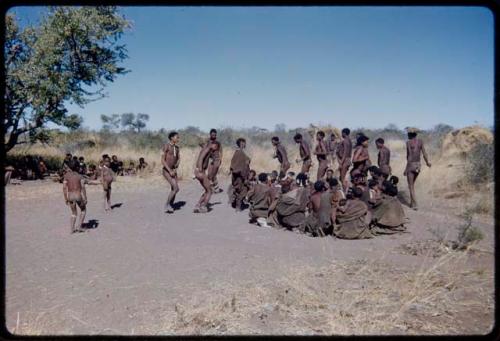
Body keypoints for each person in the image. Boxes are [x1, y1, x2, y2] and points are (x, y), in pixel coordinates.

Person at [404, 128, 431, 210]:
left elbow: (409, 156)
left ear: (411, 135)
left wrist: (406, 168)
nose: (407, 135)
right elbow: (424, 153)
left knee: (411, 186)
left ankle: (415, 204)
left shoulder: (408, 143)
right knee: (412, 185)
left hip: (411, 165)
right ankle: (412, 203)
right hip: (418, 165)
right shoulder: (420, 141)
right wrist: (427, 162)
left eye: (408, 134)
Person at [63, 161, 87, 233]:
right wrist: (85, 197)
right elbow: (83, 187)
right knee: (83, 210)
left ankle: (72, 229)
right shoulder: (80, 176)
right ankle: (79, 226)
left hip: (70, 195)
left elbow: (64, 188)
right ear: (77, 167)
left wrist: (65, 198)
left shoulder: (66, 176)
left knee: (73, 213)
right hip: (78, 195)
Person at [194, 141, 219, 213]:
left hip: (199, 172)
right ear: (212, 144)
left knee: (206, 190)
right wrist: (200, 169)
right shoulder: (207, 149)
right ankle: (203, 206)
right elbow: (201, 158)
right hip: (200, 172)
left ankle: (198, 205)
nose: (216, 148)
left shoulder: (208, 150)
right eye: (216, 146)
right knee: (210, 191)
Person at [230, 138, 251, 211]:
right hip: (240, 176)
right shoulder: (241, 153)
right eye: (244, 143)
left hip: (235, 176)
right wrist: (245, 178)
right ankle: (238, 206)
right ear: (241, 143)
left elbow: (232, 165)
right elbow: (242, 167)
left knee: (237, 189)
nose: (245, 144)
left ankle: (237, 203)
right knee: (243, 190)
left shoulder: (236, 153)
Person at [162, 131, 181, 214]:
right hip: (166, 170)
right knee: (176, 188)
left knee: (174, 188)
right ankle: (166, 205)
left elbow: (178, 158)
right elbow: (162, 160)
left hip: (173, 171)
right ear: (172, 138)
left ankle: (170, 205)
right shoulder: (166, 146)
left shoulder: (177, 148)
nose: (178, 138)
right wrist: (169, 170)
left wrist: (176, 166)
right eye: (177, 137)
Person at [205, 129, 223, 193]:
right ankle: (212, 188)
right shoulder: (208, 142)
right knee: (209, 174)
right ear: (210, 134)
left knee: (213, 174)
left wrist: (220, 159)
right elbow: (205, 150)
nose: (213, 136)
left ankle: (216, 188)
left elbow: (220, 151)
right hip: (210, 159)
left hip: (216, 159)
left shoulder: (218, 142)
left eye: (215, 135)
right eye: (212, 134)